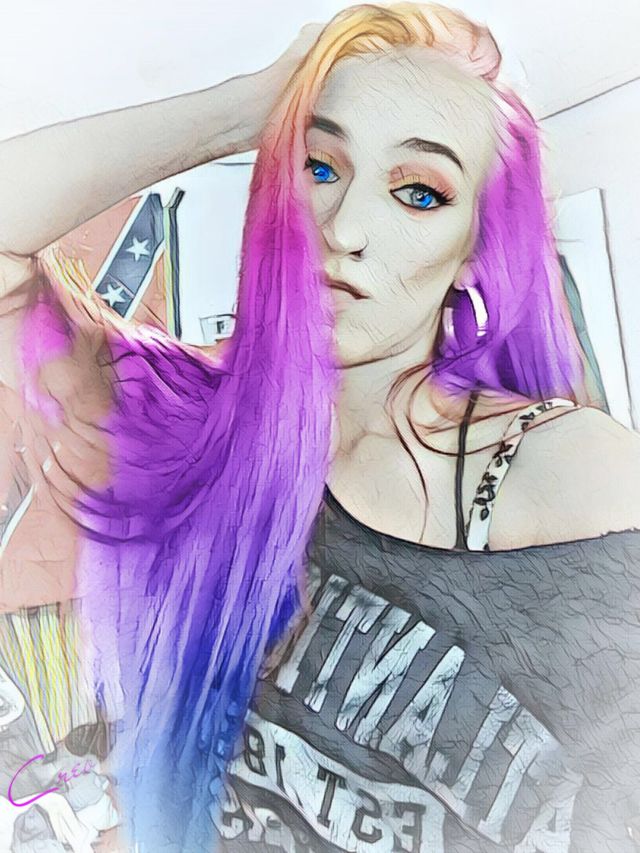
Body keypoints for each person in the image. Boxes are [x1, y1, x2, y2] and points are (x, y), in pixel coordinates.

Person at [1, 2, 639, 851]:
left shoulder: (572, 475)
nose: (342, 230)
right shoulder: (193, 425)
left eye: (419, 192)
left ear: (475, 252)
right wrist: (250, 106)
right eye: (320, 166)